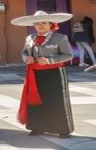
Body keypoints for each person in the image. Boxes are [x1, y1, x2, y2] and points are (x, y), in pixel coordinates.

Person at [11, 10, 74, 138]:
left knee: (55, 100)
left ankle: (62, 129)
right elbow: (24, 52)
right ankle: (37, 127)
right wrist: (26, 59)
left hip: (54, 73)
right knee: (35, 100)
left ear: (51, 24)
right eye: (37, 24)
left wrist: (49, 61)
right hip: (35, 74)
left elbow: (68, 55)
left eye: (44, 23)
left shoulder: (60, 38)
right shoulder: (30, 38)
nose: (41, 26)